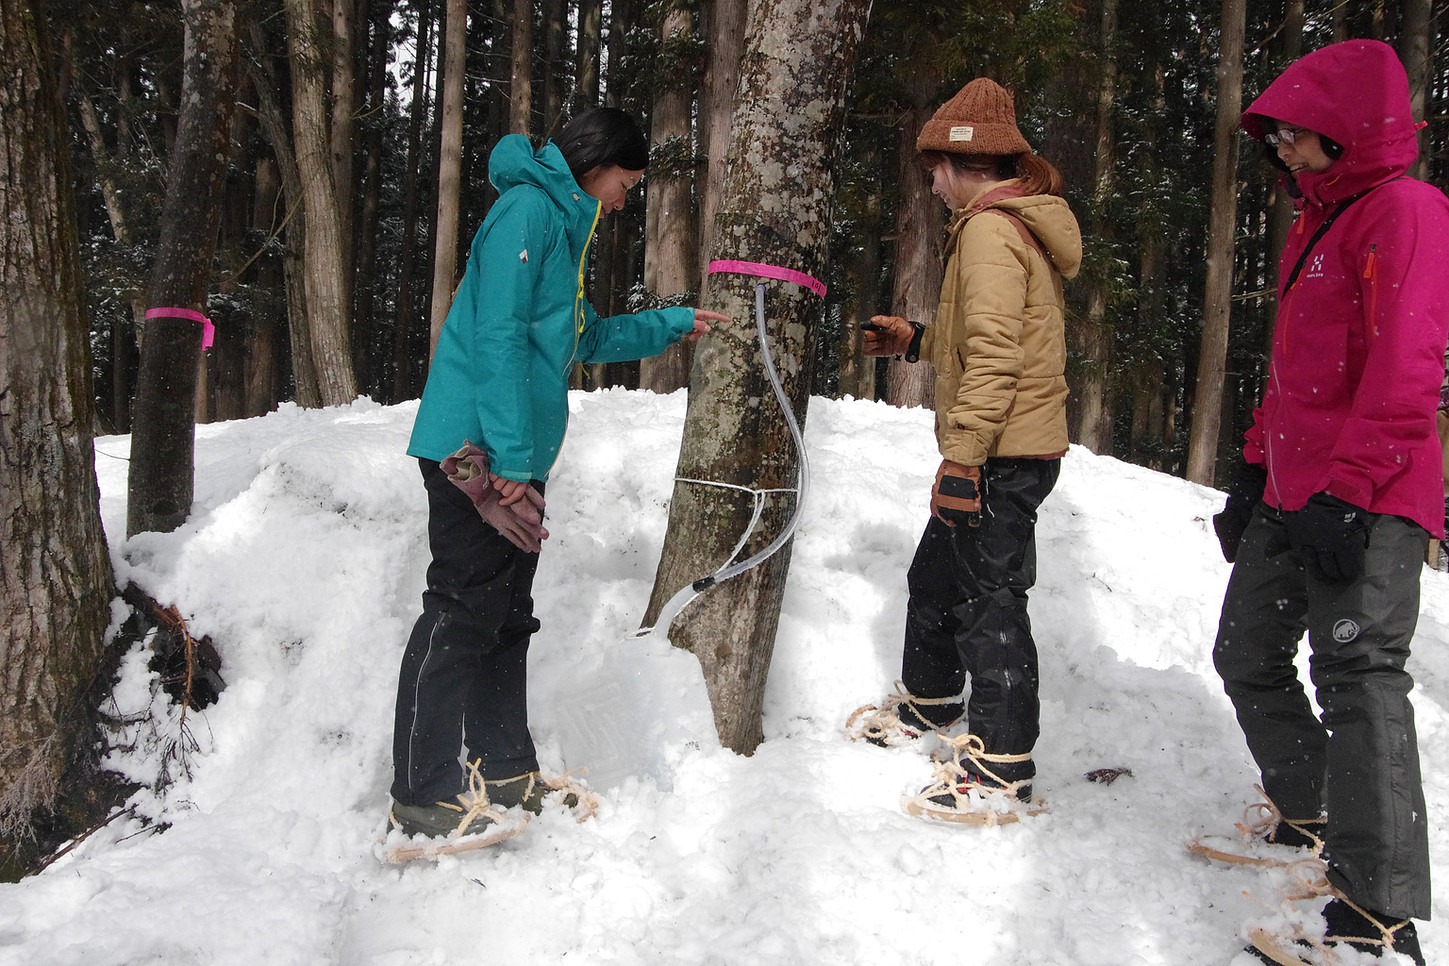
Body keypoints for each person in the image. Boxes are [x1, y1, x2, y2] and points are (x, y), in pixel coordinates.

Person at [390, 107, 729, 840]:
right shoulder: (527, 213)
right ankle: (422, 793)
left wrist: (671, 323)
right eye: (624, 182)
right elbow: (499, 340)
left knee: (504, 618)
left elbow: (581, 337)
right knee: (459, 611)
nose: (624, 197)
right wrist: (509, 461)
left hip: (512, 456)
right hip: (472, 453)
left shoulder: (565, 223)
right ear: (593, 165)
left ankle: (503, 771)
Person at [1210, 39, 1449, 964]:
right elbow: (1297, 373)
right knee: (1247, 655)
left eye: (1297, 139)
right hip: (1293, 488)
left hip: (1370, 495)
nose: (1284, 155)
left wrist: (1351, 495)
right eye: (1276, 141)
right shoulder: (1321, 220)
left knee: (1356, 679)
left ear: (1345, 132)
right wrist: (1252, 470)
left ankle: (1375, 918)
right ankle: (1312, 815)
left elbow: (1406, 366)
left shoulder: (1405, 212)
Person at [847, 78, 1081, 824]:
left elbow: (995, 359)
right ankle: (931, 704)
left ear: (959, 165)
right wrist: (916, 341)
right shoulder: (1006, 226)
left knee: (989, 600)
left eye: (932, 170)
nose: (931, 183)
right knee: (937, 577)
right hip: (1004, 444)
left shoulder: (987, 230)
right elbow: (995, 339)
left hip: (1001, 451)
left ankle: (1000, 765)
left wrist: (963, 460)